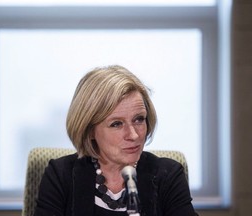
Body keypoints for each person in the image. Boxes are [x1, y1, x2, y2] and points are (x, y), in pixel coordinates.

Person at [34, 65, 198, 216]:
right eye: (117, 124)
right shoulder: (61, 175)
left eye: (139, 119)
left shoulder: (168, 175)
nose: (133, 135)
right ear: (89, 130)